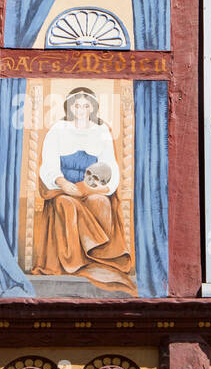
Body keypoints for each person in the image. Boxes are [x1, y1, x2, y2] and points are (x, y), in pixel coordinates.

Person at [31, 87, 137, 295]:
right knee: (67, 204)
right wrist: (62, 182)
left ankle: (99, 256)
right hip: (62, 188)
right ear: (70, 107)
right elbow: (48, 164)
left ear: (92, 108)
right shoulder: (58, 129)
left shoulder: (101, 130)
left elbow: (110, 165)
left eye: (85, 105)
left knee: (101, 202)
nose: (81, 109)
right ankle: (74, 262)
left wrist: (103, 186)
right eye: (77, 105)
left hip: (90, 185)